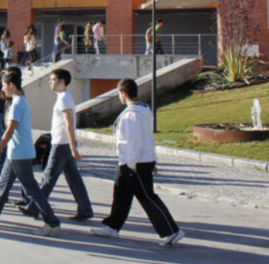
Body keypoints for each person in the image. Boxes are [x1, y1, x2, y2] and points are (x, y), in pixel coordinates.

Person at [92, 78, 184, 247]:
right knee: (121, 193)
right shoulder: (142, 111)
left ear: (123, 93)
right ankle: (112, 226)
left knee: (146, 196)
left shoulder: (131, 115)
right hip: (131, 161)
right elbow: (147, 138)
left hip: (134, 163)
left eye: (119, 93)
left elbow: (134, 142)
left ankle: (172, 231)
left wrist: (132, 165)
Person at [0, 67, 61, 237]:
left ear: (11, 85)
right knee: (2, 187)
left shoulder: (18, 104)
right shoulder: (18, 101)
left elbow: (9, 131)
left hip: (19, 154)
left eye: (4, 86)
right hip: (15, 154)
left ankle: (52, 222)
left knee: (32, 190)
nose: (2, 89)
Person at [18, 68, 93, 221]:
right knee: (74, 179)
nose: (50, 83)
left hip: (61, 144)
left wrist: (72, 147)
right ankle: (85, 209)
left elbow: (69, 124)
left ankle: (34, 207)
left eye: (52, 80)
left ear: (61, 82)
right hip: (62, 142)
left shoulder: (64, 98)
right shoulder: (63, 97)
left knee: (48, 177)